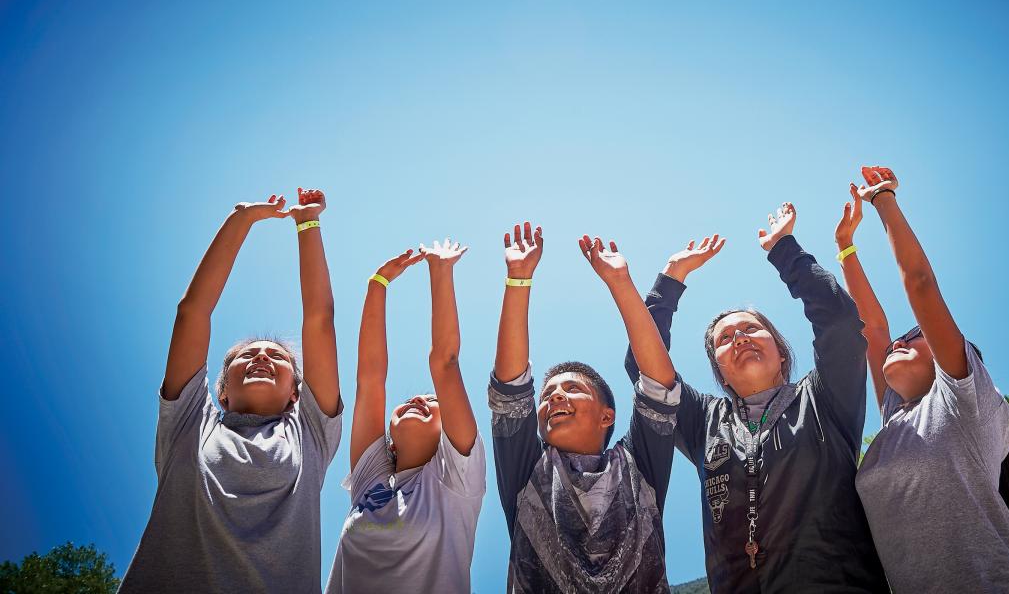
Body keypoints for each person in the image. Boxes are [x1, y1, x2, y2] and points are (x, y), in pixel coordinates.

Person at [624, 206, 889, 592]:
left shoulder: (824, 398)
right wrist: (671, 278)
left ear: (781, 351)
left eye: (751, 328)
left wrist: (785, 249)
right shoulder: (703, 423)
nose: (740, 339)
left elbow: (840, 322)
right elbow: (645, 369)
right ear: (719, 371)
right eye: (725, 339)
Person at [121, 189, 342, 593]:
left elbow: (320, 320)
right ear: (221, 392)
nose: (260, 357)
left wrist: (308, 224)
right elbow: (192, 312)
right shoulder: (190, 424)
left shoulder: (310, 431)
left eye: (276, 356)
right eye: (246, 355)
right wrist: (241, 218)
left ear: (297, 392)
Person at [846, 166, 1009, 593]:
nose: (898, 341)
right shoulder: (895, 418)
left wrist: (884, 199)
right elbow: (872, 330)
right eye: (901, 338)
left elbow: (920, 285)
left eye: (914, 335)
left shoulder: (961, 401)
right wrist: (845, 248)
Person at [488, 223, 680, 593]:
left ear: (608, 415)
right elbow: (510, 391)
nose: (553, 397)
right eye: (546, 395)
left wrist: (620, 282)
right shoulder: (528, 469)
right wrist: (518, 279)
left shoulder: (638, 465)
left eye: (572, 389)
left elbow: (658, 385)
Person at [325, 238, 485, 593]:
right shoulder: (371, 481)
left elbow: (444, 364)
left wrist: (440, 271)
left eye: (432, 400)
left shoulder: (457, 478)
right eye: (412, 398)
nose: (418, 398)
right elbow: (369, 382)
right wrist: (377, 284)